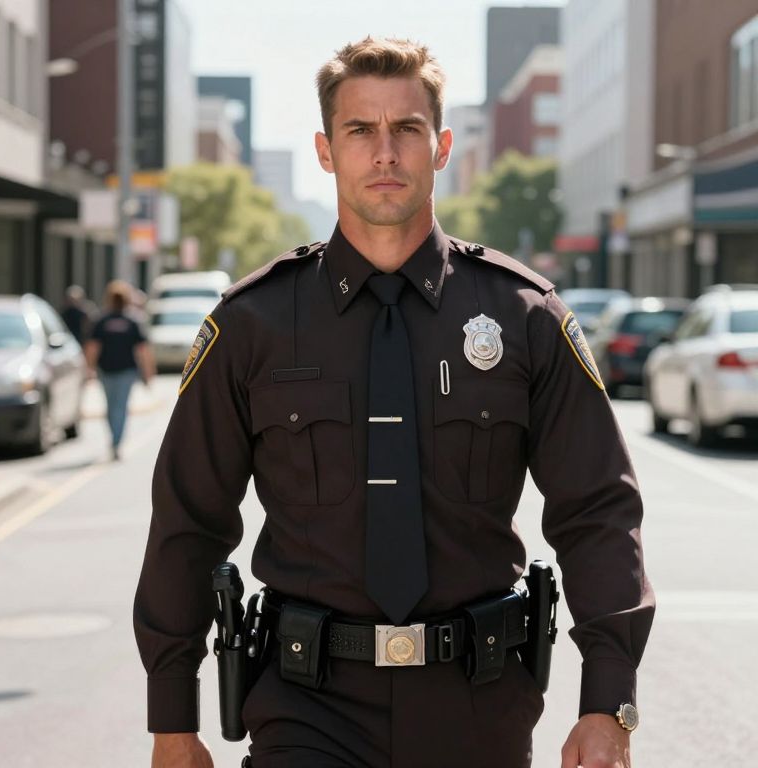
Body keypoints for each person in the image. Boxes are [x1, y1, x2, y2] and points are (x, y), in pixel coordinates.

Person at [134, 38, 654, 768]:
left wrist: (609, 702)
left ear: (440, 147)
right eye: (360, 130)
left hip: (479, 708)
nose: (385, 153)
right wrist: (172, 718)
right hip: (304, 708)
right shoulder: (251, 324)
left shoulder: (523, 316)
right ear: (325, 149)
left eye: (406, 129)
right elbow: (187, 519)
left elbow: (598, 509)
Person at [84, 280, 155, 460]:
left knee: (111, 407)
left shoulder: (102, 320)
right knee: (120, 407)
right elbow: (143, 350)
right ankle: (116, 441)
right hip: (126, 371)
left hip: (107, 370)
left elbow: (92, 347)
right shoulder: (132, 321)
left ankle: (115, 440)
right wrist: (148, 373)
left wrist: (90, 369)